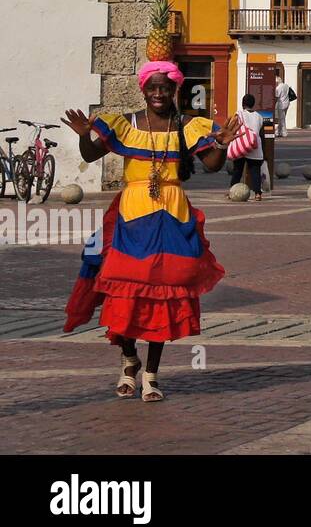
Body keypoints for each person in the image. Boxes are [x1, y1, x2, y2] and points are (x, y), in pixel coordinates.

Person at [61, 60, 241, 402]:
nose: (158, 93)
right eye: (152, 87)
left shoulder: (188, 126)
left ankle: (151, 375)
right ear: (143, 90)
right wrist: (86, 135)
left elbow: (213, 165)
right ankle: (129, 359)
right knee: (123, 287)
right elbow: (91, 154)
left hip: (172, 213)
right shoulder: (126, 124)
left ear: (175, 90)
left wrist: (221, 144)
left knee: (164, 291)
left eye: (165, 87)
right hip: (132, 212)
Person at [231, 92, 265, 201]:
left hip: (241, 145)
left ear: (243, 103)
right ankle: (257, 194)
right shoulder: (259, 117)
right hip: (255, 147)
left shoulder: (239, 113)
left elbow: (232, 126)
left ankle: (232, 191)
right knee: (255, 171)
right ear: (253, 104)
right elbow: (261, 134)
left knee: (237, 170)